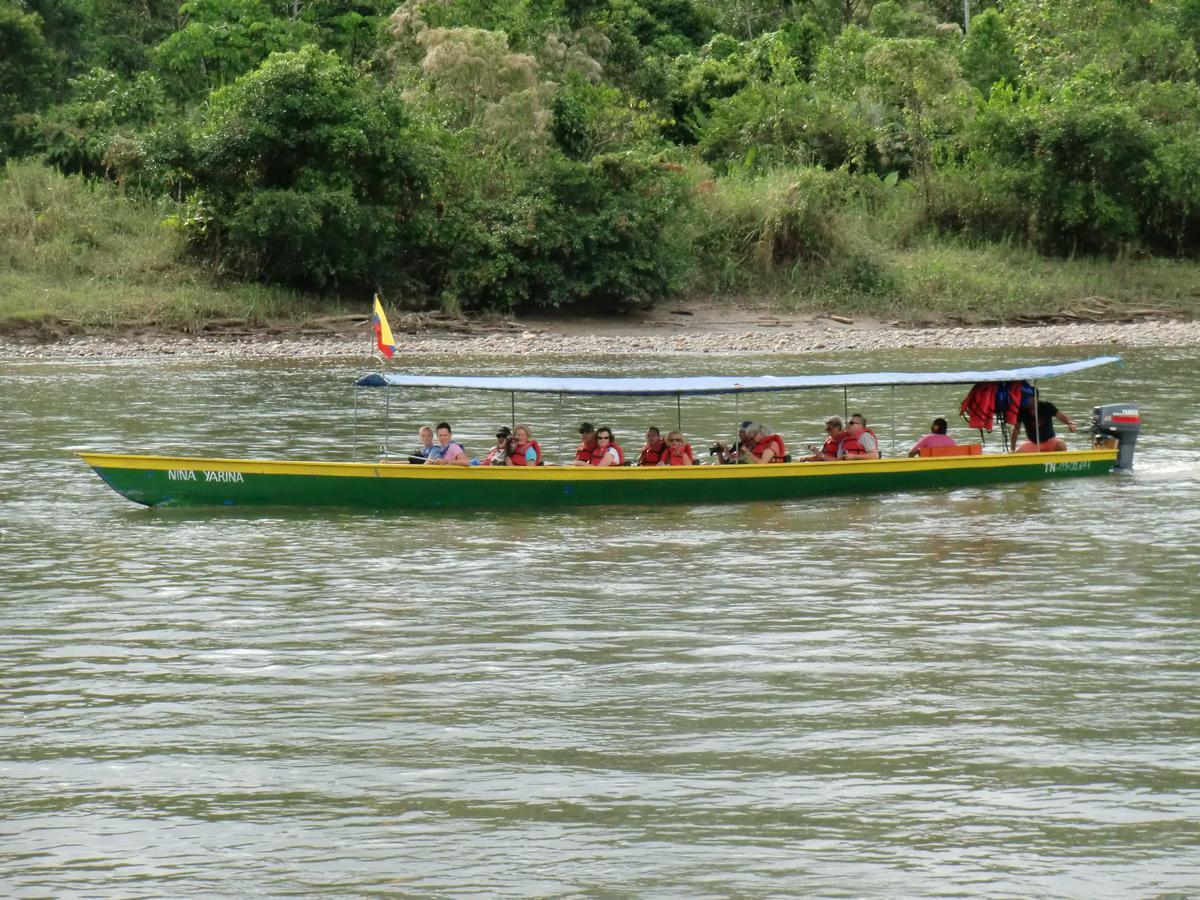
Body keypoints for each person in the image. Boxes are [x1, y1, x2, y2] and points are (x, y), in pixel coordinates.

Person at [1012, 391, 1078, 452]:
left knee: (1061, 445)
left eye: (1030, 397)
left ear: (1036, 398)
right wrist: (1012, 449)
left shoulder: (1046, 406)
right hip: (1033, 443)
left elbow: (1061, 416)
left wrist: (1070, 423)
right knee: (1019, 453)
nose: (1028, 400)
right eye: (1026, 397)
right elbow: (1016, 430)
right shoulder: (1022, 411)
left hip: (1049, 441)